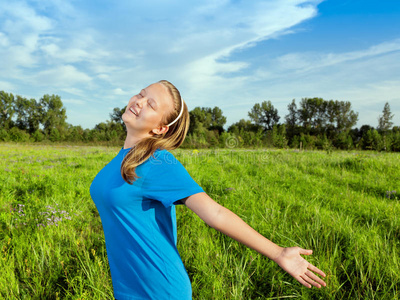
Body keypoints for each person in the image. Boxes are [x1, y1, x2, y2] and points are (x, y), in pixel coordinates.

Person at [90, 80, 326, 300]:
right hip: (128, 288)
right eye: (141, 94)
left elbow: (216, 214)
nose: (139, 102)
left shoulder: (158, 163)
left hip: (158, 289)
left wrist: (278, 253)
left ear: (161, 129)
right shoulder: (122, 159)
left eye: (150, 104)